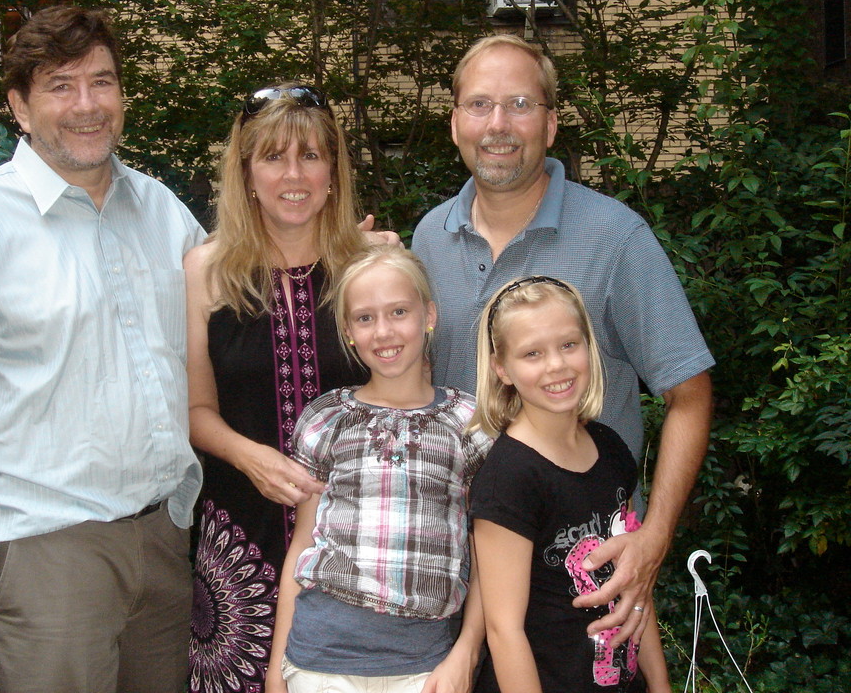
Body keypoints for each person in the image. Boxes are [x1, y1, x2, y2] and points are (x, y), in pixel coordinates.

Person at [0, 6, 203, 693]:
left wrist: (348, 259)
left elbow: (243, 310)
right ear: (19, 107)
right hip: (41, 551)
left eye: (102, 81)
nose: (86, 105)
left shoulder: (163, 210)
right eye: (61, 85)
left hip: (163, 542)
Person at [412, 34, 714, 643]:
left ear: (550, 126)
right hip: (455, 567)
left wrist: (653, 538)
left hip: (581, 578)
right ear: (454, 123)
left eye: (520, 104)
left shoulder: (615, 237)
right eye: (479, 104)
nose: (498, 124)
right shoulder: (429, 238)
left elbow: (691, 395)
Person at [186, 84, 391, 692]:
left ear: (334, 170)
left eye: (311, 155)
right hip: (240, 534)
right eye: (273, 157)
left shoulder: (372, 267)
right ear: (247, 173)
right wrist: (250, 457)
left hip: (354, 536)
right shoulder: (206, 271)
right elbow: (195, 409)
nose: (293, 175)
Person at [265, 244, 491, 693]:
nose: (383, 332)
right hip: (319, 661)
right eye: (365, 318)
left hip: (425, 664)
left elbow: (489, 556)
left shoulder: (472, 425)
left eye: (399, 312)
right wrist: (276, 670)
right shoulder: (326, 418)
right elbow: (303, 541)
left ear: (429, 315)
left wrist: (467, 649)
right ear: (348, 330)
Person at [468, 276, 670, 693]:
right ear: (501, 368)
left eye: (568, 345)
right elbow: (503, 631)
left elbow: (635, 587)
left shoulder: (611, 448)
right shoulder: (509, 477)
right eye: (532, 353)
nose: (556, 365)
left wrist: (661, 684)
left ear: (589, 348)